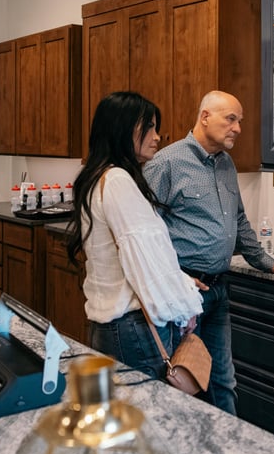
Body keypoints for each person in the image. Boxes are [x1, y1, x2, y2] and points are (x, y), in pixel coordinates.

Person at [143, 90, 274, 415]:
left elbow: (238, 220)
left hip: (218, 291)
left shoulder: (226, 164)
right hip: (183, 295)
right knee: (183, 385)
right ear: (205, 117)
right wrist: (175, 278)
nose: (237, 128)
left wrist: (266, 262)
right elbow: (145, 232)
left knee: (223, 382)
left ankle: (228, 443)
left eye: (239, 121)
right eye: (231, 119)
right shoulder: (166, 163)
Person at [66, 91, 205, 380]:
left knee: (124, 404)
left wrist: (179, 280)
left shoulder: (97, 176)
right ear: (123, 129)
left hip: (111, 324)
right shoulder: (117, 180)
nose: (157, 136)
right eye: (149, 127)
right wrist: (184, 304)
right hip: (134, 325)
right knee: (149, 406)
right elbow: (145, 261)